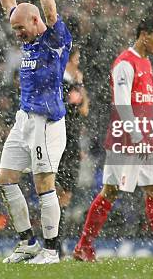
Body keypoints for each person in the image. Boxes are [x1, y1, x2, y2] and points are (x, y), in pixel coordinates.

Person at [73, 17, 153, 262]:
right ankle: (83, 246)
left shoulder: (146, 63)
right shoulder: (124, 64)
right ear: (143, 35)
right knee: (111, 191)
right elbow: (121, 103)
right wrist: (136, 134)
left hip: (145, 136)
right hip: (125, 137)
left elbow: (143, 103)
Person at [0, 0, 72, 264]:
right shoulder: (27, 40)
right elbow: (8, 5)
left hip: (46, 122)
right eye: (14, 30)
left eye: (20, 28)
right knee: (6, 178)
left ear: (35, 21)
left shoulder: (55, 38)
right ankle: (27, 243)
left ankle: (51, 250)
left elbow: (51, 11)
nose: (17, 34)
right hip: (24, 119)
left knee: (43, 185)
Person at [56, 47, 89, 255]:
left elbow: (84, 109)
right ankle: (53, 242)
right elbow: (78, 106)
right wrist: (77, 85)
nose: (78, 63)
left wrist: (80, 84)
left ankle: (57, 243)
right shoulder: (60, 82)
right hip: (59, 142)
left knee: (65, 194)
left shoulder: (73, 83)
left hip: (72, 144)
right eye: (76, 59)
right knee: (56, 192)